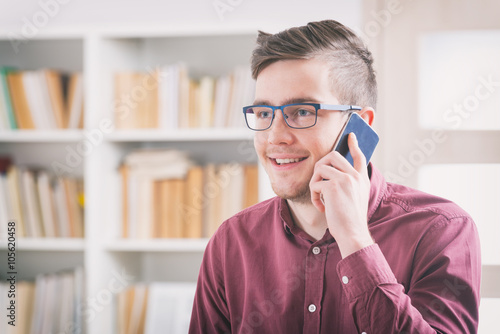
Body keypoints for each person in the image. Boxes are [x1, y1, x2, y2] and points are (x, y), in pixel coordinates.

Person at [189, 20, 481, 334]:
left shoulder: (441, 230)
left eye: (301, 112)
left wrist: (356, 241)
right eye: (263, 114)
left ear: (359, 125)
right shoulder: (231, 242)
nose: (275, 137)